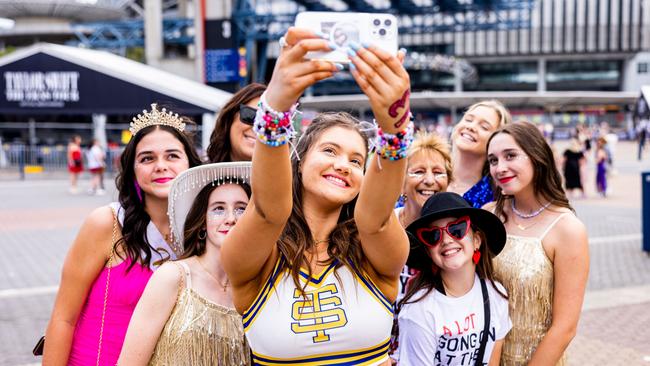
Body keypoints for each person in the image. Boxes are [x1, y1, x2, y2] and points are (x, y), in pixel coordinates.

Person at [221, 28, 411, 365]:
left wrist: (394, 128)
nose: (343, 165)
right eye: (329, 151)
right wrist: (275, 108)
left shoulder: (374, 252)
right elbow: (269, 211)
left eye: (356, 160)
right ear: (300, 161)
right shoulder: (258, 255)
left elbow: (375, 219)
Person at [43, 104, 202, 366]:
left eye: (172, 156)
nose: (160, 166)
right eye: (147, 158)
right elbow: (63, 318)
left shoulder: (202, 231)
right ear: (133, 170)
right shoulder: (108, 223)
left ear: (190, 163)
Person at [119, 162, 252, 365]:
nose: (231, 218)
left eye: (241, 209)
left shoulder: (255, 287)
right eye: (218, 209)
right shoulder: (174, 276)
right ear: (202, 223)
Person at [486, 121, 589, 365]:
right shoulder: (489, 215)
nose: (500, 168)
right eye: (493, 160)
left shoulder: (568, 229)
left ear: (536, 157)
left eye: (510, 155)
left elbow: (565, 328)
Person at [396, 192, 511, 365]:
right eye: (433, 235)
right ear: (428, 252)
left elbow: (493, 360)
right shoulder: (419, 311)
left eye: (457, 229)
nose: (446, 240)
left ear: (477, 240)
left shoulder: (496, 295)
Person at [396, 132, 453, 301]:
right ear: (402, 183)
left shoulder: (455, 232)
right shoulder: (385, 224)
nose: (429, 180)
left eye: (438, 172)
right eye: (419, 172)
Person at [448, 100, 512, 208]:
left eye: (484, 127)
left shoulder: (497, 196)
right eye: (468, 120)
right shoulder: (430, 175)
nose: (471, 127)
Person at [206, 83, 266, 162]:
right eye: (250, 115)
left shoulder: (286, 174)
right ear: (230, 118)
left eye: (269, 123)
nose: (257, 128)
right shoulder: (197, 173)